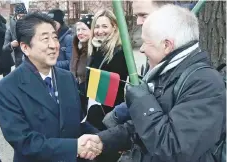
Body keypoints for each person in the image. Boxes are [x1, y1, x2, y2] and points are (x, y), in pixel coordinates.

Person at [82, 5, 226, 162]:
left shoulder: (204, 84)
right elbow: (142, 128)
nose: (141, 49)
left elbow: (173, 149)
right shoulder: (167, 73)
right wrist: (104, 140)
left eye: (146, 42)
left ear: (166, 45)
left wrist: (142, 100)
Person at [0, 12, 103, 162]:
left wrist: (98, 139)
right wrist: (74, 147)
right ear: (25, 48)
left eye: (55, 37)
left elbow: (77, 122)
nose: (54, 45)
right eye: (45, 39)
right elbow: (25, 142)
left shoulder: (67, 78)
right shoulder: (6, 88)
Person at [103, 0, 172, 128]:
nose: (138, 22)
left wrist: (121, 113)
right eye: (136, 16)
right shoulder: (154, 50)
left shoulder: (171, 56)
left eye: (144, 15)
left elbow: (158, 100)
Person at [86, 9, 128, 131]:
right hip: (95, 108)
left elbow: (115, 88)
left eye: (105, 26)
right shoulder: (97, 49)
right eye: (97, 27)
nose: (99, 31)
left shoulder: (118, 52)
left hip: (107, 114)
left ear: (114, 27)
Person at [70, 14, 94, 114]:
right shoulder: (77, 47)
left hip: (90, 96)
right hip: (78, 92)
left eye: (84, 29)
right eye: (78, 30)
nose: (80, 33)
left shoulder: (94, 50)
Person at [3, 3, 27, 68]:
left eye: (24, 16)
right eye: (19, 16)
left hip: (31, 59)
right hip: (18, 61)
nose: (22, 18)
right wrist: (11, 45)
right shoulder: (10, 28)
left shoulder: (30, 25)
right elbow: (5, 48)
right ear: (16, 16)